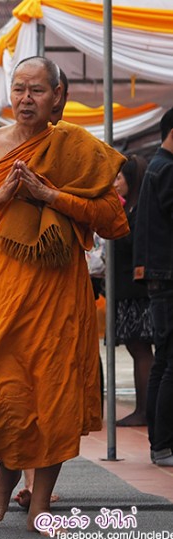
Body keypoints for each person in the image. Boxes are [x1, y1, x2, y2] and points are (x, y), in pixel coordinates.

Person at [0, 56, 128, 531]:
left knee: (54, 395)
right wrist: (1, 195)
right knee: (6, 391)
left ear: (58, 96)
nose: (26, 99)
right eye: (19, 89)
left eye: (37, 91)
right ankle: (7, 479)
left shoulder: (77, 148)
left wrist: (51, 198)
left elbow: (111, 219)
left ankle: (40, 499)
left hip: (57, 292)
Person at [133, 106, 173, 467]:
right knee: (170, 361)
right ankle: (163, 444)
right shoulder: (168, 170)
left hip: (159, 276)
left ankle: (160, 443)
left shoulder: (156, 168)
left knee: (164, 360)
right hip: (169, 277)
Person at [113, 155, 154, 427]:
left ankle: (145, 410)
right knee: (136, 347)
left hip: (135, 292)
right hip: (127, 290)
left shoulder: (138, 212)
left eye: (119, 178)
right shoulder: (131, 209)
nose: (115, 183)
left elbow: (131, 245)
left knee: (140, 349)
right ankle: (144, 409)